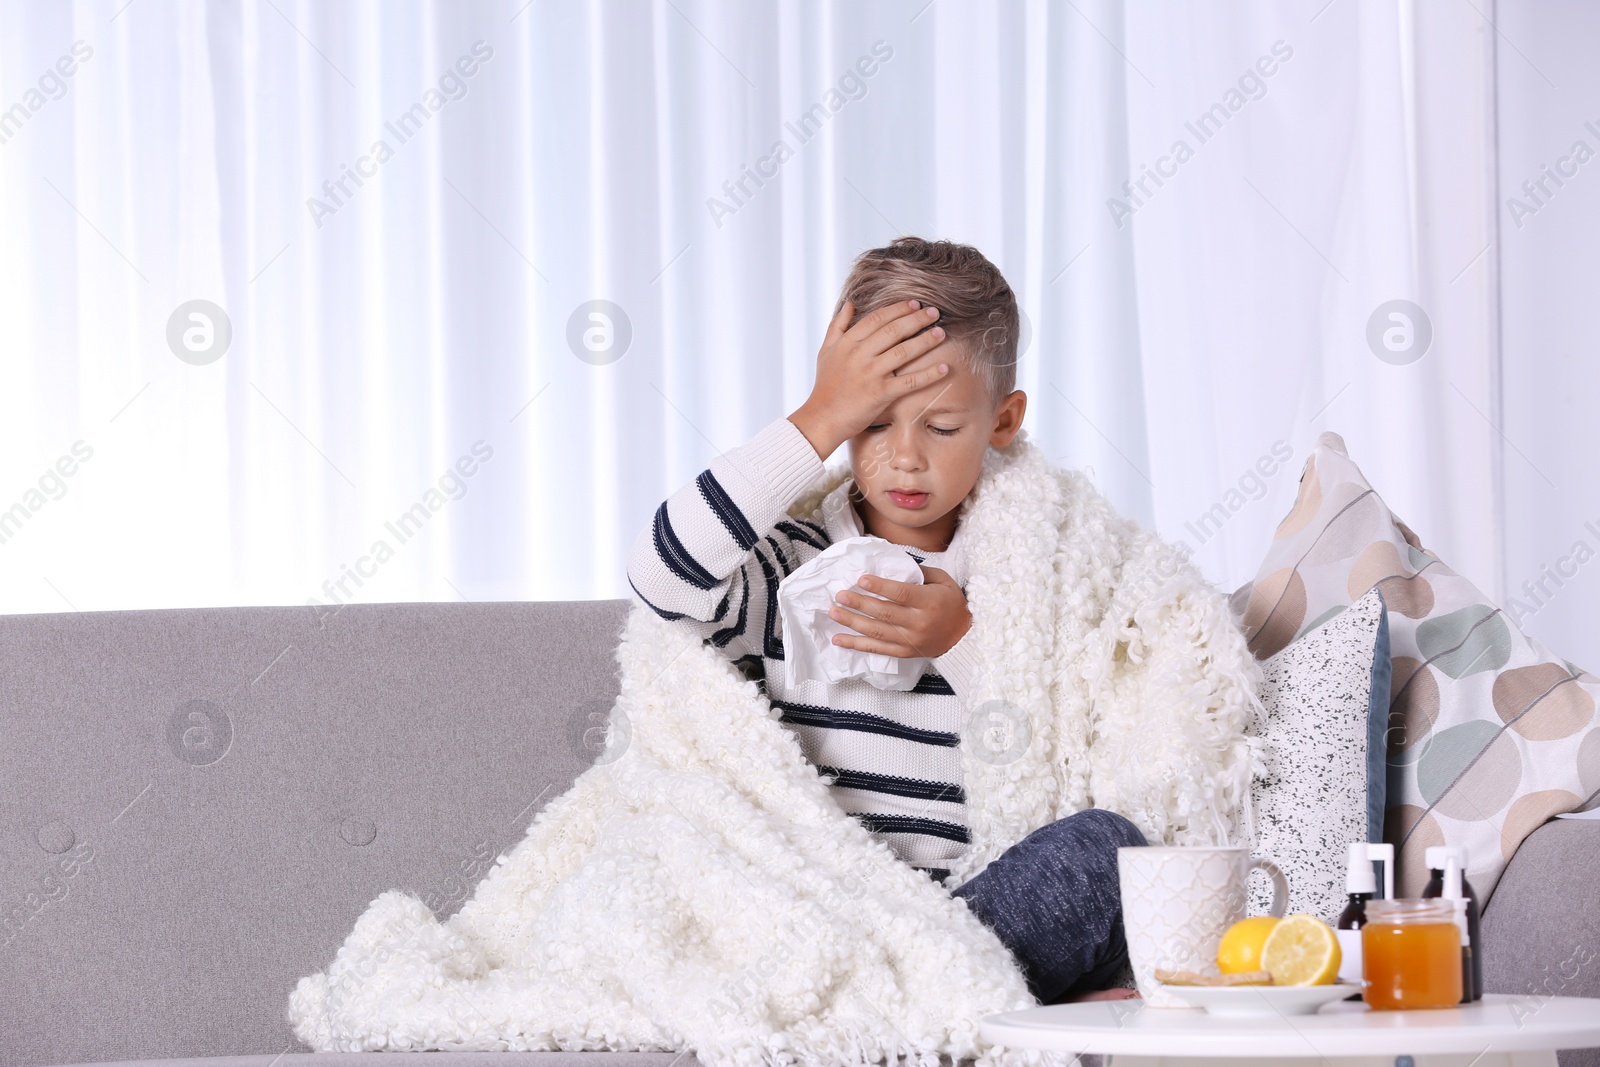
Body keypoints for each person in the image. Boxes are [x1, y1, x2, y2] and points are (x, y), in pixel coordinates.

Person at [626, 236, 1144, 1004]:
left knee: (1109, 851)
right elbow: (661, 576)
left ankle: (912, 1004)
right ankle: (902, 1007)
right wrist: (819, 416)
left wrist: (960, 642)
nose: (904, 457)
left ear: (1002, 421)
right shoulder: (789, 567)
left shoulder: (1032, 582)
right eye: (873, 425)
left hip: (963, 920)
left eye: (939, 428)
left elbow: (1058, 761)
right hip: (812, 916)